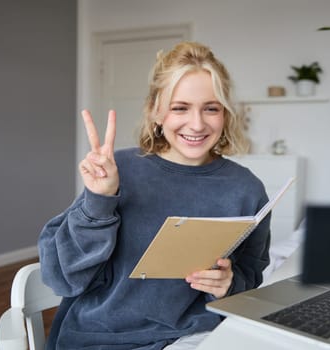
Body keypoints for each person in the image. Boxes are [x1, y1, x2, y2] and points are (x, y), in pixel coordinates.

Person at [38, 41, 271, 350]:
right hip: (103, 339)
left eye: (211, 108)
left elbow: (249, 275)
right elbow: (62, 278)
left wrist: (228, 284)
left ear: (226, 114)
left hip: (193, 336)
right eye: (180, 108)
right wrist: (100, 200)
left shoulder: (248, 189)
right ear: (155, 112)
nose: (197, 123)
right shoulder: (118, 170)